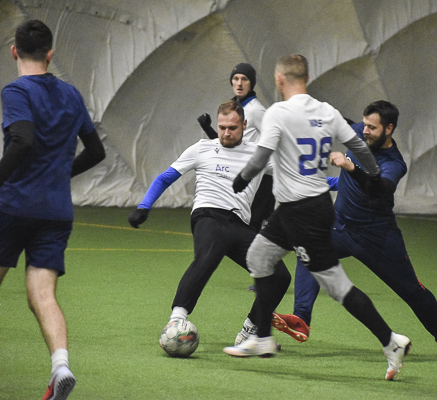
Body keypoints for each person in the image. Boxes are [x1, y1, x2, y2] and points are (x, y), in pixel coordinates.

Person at [223, 55, 411, 381]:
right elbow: (359, 146)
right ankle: (262, 337)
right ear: (306, 78)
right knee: (258, 256)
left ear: (279, 79)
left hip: (303, 212)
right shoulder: (327, 112)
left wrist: (241, 179)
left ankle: (391, 341)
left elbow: (262, 156)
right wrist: (373, 173)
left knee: (336, 286)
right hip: (301, 207)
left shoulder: (279, 112)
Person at [271, 100, 437, 360]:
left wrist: (350, 167)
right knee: (307, 250)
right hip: (340, 227)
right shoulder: (358, 132)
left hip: (377, 237)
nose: (365, 131)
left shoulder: (394, 163)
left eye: (373, 128)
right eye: (365, 125)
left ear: (389, 129)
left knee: (411, 290)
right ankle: (301, 318)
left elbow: (378, 190)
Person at [0, 20, 106, 400]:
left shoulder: (17, 90)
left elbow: (22, 140)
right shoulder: (71, 94)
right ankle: (61, 366)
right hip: (56, 211)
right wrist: (60, 174)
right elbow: (96, 152)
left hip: (15, 206)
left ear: (14, 51)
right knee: (43, 295)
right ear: (50, 55)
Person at [127, 100, 291, 347]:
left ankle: (250, 330)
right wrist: (144, 206)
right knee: (209, 253)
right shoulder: (202, 148)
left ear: (244, 125)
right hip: (208, 215)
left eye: (232, 128)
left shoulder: (258, 155)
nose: (226, 133)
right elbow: (164, 178)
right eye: (222, 127)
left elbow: (297, 176)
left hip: (239, 225)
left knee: (280, 276)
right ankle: (176, 320)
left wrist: (338, 182)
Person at [197, 63, 275, 233]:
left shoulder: (256, 111)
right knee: (240, 229)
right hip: (242, 177)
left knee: (249, 230)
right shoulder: (236, 109)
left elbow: (274, 142)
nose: (239, 83)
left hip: (259, 180)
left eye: (244, 79)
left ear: (252, 83)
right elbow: (228, 147)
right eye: (236, 78)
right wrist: (208, 129)